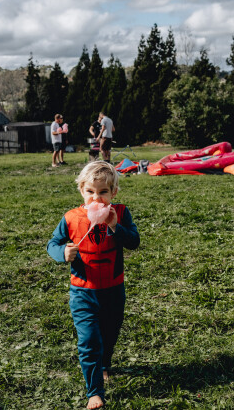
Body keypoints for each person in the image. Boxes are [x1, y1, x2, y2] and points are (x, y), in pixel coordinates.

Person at [47, 161, 140, 409]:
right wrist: (62, 252)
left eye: (103, 192)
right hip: (83, 291)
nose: (96, 198)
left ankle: (104, 363)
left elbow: (134, 241)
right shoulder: (71, 218)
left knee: (110, 333)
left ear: (113, 193)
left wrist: (115, 226)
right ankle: (94, 392)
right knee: (89, 340)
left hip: (113, 289)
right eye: (90, 191)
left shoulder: (121, 213)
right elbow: (52, 244)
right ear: (81, 190)